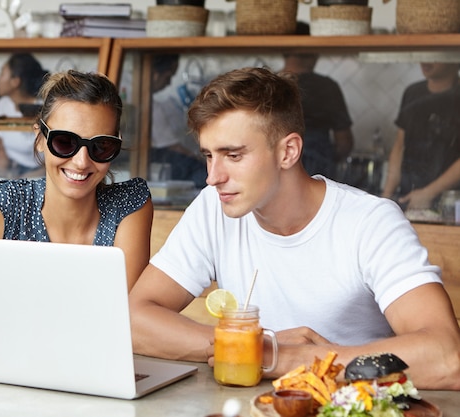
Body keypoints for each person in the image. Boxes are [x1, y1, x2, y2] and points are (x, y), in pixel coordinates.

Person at [128, 67, 460, 390]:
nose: (213, 176)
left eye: (233, 155)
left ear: (288, 151)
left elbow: (447, 356)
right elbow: (133, 320)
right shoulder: (212, 207)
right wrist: (252, 346)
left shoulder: (371, 222)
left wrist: (305, 360)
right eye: (209, 156)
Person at [0, 70, 154, 334]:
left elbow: (122, 319)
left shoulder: (130, 206)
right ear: (40, 138)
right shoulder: (10, 203)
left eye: (100, 146)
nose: (81, 161)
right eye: (65, 142)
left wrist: (2, 317)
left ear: (116, 146)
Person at [381, 62, 460, 210]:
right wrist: (386, 198)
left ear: (453, 59)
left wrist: (429, 193)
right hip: (409, 197)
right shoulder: (412, 92)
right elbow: (399, 146)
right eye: (423, 54)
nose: (425, 60)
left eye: (434, 55)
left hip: (451, 202)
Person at [281, 22, 354, 179]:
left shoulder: (267, 84)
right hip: (318, 174)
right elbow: (344, 142)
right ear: (314, 51)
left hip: (275, 173)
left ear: (284, 51)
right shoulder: (327, 87)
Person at [149, 54, 206, 188]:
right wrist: (200, 160)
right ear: (155, 75)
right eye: (167, 77)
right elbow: (173, 146)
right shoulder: (152, 107)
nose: (168, 83)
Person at [0, 53, 50, 176]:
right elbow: (1, 150)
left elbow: (55, 153)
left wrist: (32, 176)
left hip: (43, 172)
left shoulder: (45, 106)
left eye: (2, 74)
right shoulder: (2, 105)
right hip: (14, 171)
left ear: (15, 81)